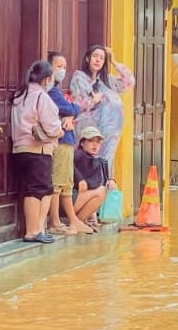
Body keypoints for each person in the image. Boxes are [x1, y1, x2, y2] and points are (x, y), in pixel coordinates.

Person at [11, 60, 63, 244]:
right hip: (37, 150)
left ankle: (38, 228)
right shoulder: (41, 97)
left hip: (19, 149)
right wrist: (61, 130)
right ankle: (33, 231)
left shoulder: (19, 95)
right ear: (47, 78)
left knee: (39, 188)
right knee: (37, 190)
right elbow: (52, 126)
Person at [45, 51, 93, 235]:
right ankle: (55, 222)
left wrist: (71, 114)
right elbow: (71, 107)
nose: (63, 70)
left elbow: (70, 110)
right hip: (62, 140)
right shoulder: (51, 91)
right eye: (59, 66)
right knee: (58, 183)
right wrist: (72, 111)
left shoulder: (56, 90)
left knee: (65, 183)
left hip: (67, 140)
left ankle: (72, 220)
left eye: (65, 67)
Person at [69, 45, 135, 171]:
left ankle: (104, 187)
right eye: (95, 56)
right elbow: (77, 105)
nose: (98, 60)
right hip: (89, 131)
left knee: (106, 162)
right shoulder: (79, 78)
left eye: (102, 58)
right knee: (89, 162)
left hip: (109, 134)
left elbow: (129, 82)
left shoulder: (107, 80)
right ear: (88, 58)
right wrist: (94, 100)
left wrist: (114, 62)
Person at [73, 126, 118, 226]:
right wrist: (80, 179)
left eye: (97, 142)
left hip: (77, 200)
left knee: (101, 190)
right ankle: (78, 221)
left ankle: (80, 221)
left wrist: (110, 179)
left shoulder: (92, 158)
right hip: (69, 200)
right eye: (90, 141)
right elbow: (68, 166)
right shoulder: (79, 155)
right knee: (102, 191)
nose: (95, 144)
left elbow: (94, 185)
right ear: (82, 143)